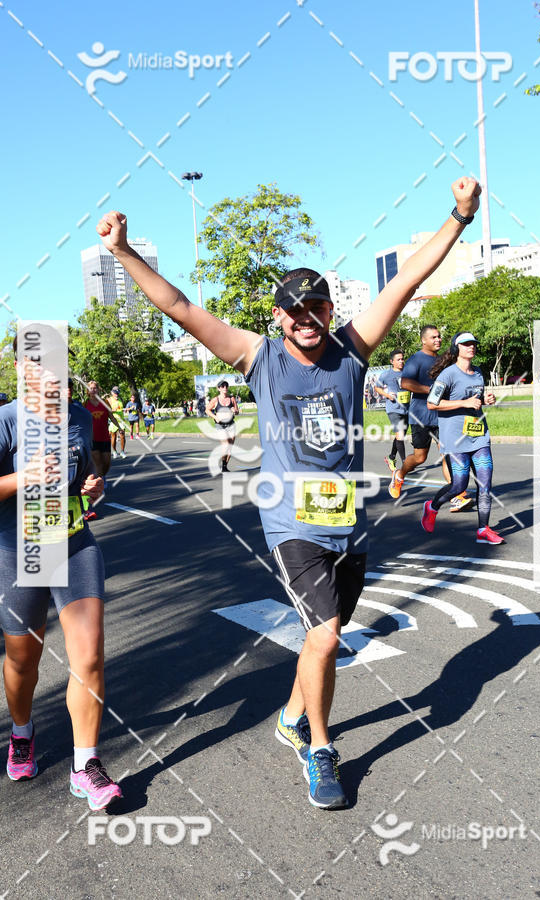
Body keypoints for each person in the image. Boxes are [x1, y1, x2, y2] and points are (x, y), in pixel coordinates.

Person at [96, 176, 482, 810]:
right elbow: (182, 309)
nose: (307, 320)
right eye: (294, 311)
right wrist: (125, 253)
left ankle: (290, 716)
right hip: (291, 524)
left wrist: (458, 218)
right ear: (279, 317)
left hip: (348, 525)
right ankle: (320, 751)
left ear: (330, 311)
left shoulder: (352, 352)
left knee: (319, 637)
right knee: (328, 637)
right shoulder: (259, 357)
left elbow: (403, 282)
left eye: (317, 308)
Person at [0, 333, 122, 808]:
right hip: (18, 550)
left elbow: (87, 476)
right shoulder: (7, 421)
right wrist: (22, 479)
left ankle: (85, 765)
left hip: (72, 542)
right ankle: (23, 732)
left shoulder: (75, 416)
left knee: (88, 655)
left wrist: (93, 486)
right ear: (19, 368)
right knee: (23, 661)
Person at [420, 332, 504, 544]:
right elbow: (432, 403)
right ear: (457, 348)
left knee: (485, 484)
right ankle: (432, 507)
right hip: (455, 439)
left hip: (478, 435)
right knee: (459, 485)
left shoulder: (477, 372)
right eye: (466, 344)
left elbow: (475, 399)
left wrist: (485, 399)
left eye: (473, 344)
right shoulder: (447, 375)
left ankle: (483, 529)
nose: (471, 347)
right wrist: (464, 403)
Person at [388, 325, 473, 512]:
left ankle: (457, 494)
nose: (438, 340)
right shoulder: (415, 360)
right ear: (423, 340)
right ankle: (399, 475)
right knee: (420, 457)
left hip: (442, 415)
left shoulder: (444, 360)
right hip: (421, 416)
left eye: (439, 336)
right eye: (433, 337)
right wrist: (431, 391)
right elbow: (405, 382)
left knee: (447, 452)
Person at [84, 380, 125, 519]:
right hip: (92, 439)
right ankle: (98, 484)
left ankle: (102, 477)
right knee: (97, 462)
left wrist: (119, 428)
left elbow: (111, 416)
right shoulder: (85, 404)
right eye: (91, 388)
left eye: (95, 388)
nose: (93, 390)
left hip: (105, 438)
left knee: (106, 463)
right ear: (88, 390)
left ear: (98, 389)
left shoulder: (104, 403)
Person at [375, 349, 410, 472]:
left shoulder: (408, 372)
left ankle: (391, 457)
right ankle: (406, 463)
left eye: (402, 359)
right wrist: (388, 395)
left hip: (406, 408)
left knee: (400, 436)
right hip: (393, 408)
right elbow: (377, 387)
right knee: (400, 434)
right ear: (392, 361)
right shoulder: (386, 374)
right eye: (398, 359)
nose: (401, 361)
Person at [207, 381, 239, 473]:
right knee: (225, 445)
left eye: (226, 386)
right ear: (219, 388)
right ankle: (223, 464)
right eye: (222, 386)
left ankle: (224, 466)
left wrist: (235, 410)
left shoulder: (232, 399)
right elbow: (207, 410)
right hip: (220, 425)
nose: (225, 387)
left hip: (231, 424)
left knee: (230, 447)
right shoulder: (215, 400)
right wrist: (215, 417)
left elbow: (237, 411)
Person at [107, 387, 127, 459]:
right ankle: (115, 451)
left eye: (118, 393)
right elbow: (107, 410)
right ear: (112, 392)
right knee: (113, 436)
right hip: (113, 420)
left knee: (122, 435)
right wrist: (112, 410)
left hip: (121, 420)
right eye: (115, 393)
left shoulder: (120, 399)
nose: (116, 394)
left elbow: (121, 408)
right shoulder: (109, 400)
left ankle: (122, 452)